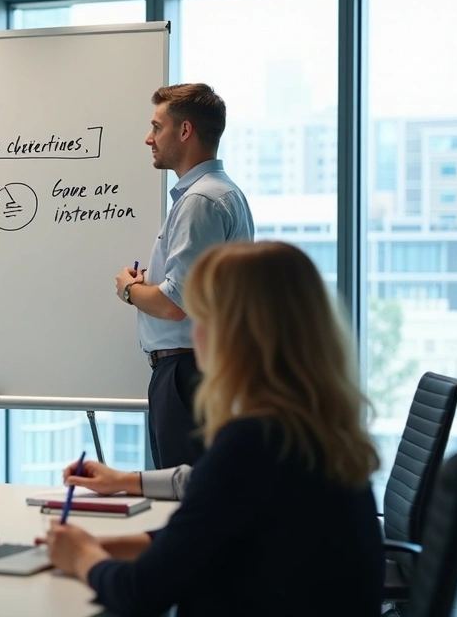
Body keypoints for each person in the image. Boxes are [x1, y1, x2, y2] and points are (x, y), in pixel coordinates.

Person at [47, 241, 384, 617]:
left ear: (240, 335)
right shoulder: (316, 428)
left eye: (203, 319)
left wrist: (83, 557)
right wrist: (103, 544)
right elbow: (205, 530)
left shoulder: (255, 441)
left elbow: (139, 592)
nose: (195, 335)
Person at [116, 83, 254, 470]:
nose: (149, 138)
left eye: (156, 127)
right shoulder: (225, 194)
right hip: (199, 372)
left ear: (185, 131)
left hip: (185, 378)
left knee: (182, 504)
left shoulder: (199, 202)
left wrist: (129, 289)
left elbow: (176, 303)